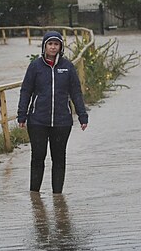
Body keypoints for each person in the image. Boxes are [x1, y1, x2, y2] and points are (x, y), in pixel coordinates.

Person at [17, 31, 88, 194]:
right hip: (37, 121)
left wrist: (82, 115)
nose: (53, 47)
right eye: (50, 44)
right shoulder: (35, 66)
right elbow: (26, 90)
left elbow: (76, 92)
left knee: (59, 158)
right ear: (44, 46)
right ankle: (35, 197)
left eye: (56, 44)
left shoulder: (68, 67)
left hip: (62, 122)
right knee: (38, 157)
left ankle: (58, 197)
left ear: (60, 47)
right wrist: (22, 114)